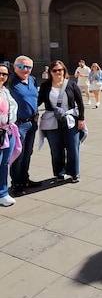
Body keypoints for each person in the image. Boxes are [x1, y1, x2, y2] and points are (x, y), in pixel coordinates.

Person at [38, 60, 85, 183]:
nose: (58, 72)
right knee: (56, 149)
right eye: (55, 70)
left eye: (60, 70)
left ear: (64, 71)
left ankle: (74, 172)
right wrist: (33, 113)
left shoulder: (71, 84)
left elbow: (80, 103)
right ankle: (59, 173)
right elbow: (38, 101)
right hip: (52, 120)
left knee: (73, 147)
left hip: (70, 120)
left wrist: (81, 119)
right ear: (50, 72)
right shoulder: (45, 86)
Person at [9, 55, 41, 197]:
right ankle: (16, 184)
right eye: (21, 66)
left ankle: (24, 179)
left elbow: (34, 98)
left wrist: (36, 112)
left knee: (28, 152)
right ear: (15, 67)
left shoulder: (32, 80)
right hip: (18, 125)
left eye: (28, 67)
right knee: (18, 154)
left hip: (32, 123)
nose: (25, 69)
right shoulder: (10, 81)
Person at [0, 64, 21, 206]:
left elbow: (13, 107)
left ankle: (3, 192)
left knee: (4, 164)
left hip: (8, 132)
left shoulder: (5, 91)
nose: (1, 77)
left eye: (4, 74)